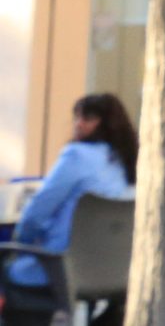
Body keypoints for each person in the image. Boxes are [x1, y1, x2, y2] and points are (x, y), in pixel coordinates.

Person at [2, 92, 137, 326]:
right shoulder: (129, 162)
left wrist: (23, 243)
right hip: (116, 275)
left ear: (106, 123)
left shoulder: (76, 156)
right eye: (77, 117)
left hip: (62, 270)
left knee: (8, 261)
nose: (78, 123)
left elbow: (34, 216)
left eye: (88, 118)